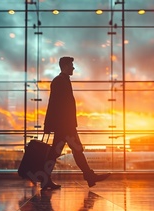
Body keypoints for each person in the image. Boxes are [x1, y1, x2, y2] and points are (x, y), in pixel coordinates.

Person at [43, 56, 110, 189]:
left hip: (65, 125)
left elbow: (54, 104)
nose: (73, 68)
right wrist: (51, 125)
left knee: (66, 151)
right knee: (71, 151)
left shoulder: (62, 80)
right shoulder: (60, 81)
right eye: (71, 65)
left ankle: (88, 176)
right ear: (66, 66)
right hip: (65, 126)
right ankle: (89, 176)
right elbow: (55, 104)